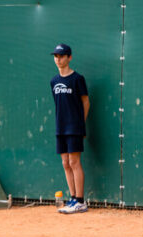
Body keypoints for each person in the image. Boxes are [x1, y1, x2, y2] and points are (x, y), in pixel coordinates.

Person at [50, 43, 90, 214]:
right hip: (60, 127)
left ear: (69, 57)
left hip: (74, 127)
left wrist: (81, 124)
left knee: (74, 162)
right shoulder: (53, 81)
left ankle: (80, 201)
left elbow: (85, 102)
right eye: (56, 56)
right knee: (65, 163)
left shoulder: (77, 79)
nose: (58, 59)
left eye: (62, 56)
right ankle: (72, 199)